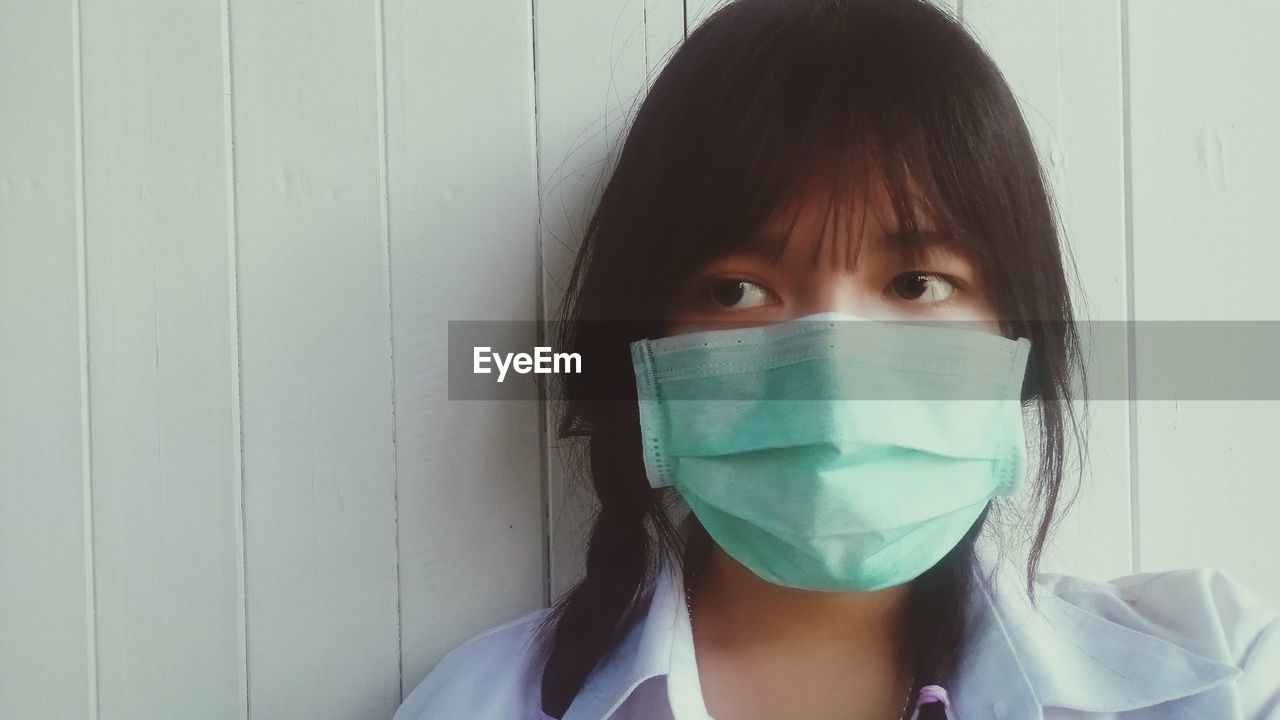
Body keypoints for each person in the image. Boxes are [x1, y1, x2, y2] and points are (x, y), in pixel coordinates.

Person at [393, 0, 1280, 718]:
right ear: (640, 354)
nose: (834, 376)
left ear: (1019, 341)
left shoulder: (1220, 671)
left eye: (917, 283)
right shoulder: (476, 704)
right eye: (737, 290)